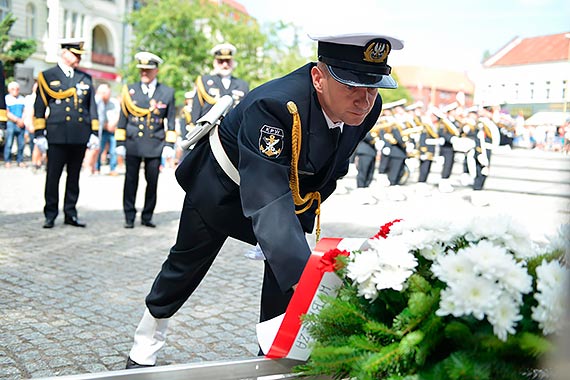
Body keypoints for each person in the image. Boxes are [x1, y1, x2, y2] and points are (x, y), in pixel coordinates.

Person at [125, 31, 404, 369]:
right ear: (318, 77)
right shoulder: (273, 106)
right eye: (351, 87)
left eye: (372, 88)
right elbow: (268, 198)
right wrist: (307, 280)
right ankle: (146, 339)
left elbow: (330, 166)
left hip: (293, 191)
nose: (364, 100)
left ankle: (276, 358)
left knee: (286, 271)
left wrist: (297, 254)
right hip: (222, 187)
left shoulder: (366, 108)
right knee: (186, 264)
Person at [33, 38, 99, 228]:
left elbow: (90, 107)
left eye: (79, 55)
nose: (78, 58)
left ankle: (71, 212)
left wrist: (94, 132)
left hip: (79, 134)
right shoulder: (47, 76)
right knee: (53, 176)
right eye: (75, 54)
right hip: (57, 134)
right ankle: (50, 213)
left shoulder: (85, 78)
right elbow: (40, 107)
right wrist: (39, 133)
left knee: (74, 177)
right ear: (64, 53)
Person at [115, 51, 176, 229]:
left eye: (148, 70)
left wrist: (169, 145)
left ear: (156, 71)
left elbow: (170, 120)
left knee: (152, 181)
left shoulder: (166, 92)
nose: (144, 73)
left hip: (155, 143)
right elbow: (123, 118)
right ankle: (129, 215)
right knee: (131, 180)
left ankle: (147, 215)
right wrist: (119, 143)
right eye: (141, 70)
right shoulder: (130, 90)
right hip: (133, 142)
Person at [191, 43, 249, 124]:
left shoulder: (243, 85)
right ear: (215, 63)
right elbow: (196, 110)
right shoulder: (204, 81)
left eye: (228, 61)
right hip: (208, 131)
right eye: (221, 61)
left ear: (233, 62)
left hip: (233, 132)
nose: (225, 65)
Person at [95, 83, 119, 176]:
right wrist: (105, 125)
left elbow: (118, 115)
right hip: (102, 128)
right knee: (99, 148)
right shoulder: (97, 102)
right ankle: (97, 167)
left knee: (113, 150)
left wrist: (112, 125)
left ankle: (113, 168)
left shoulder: (114, 102)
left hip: (113, 129)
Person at [4, 81, 27, 167]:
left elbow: (25, 111)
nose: (15, 90)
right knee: (9, 143)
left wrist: (22, 120)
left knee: (21, 143)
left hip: (21, 123)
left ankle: (20, 160)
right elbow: (7, 112)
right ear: (9, 90)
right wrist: (17, 120)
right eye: (13, 89)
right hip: (11, 123)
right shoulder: (7, 99)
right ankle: (7, 160)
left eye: (17, 89)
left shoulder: (22, 99)